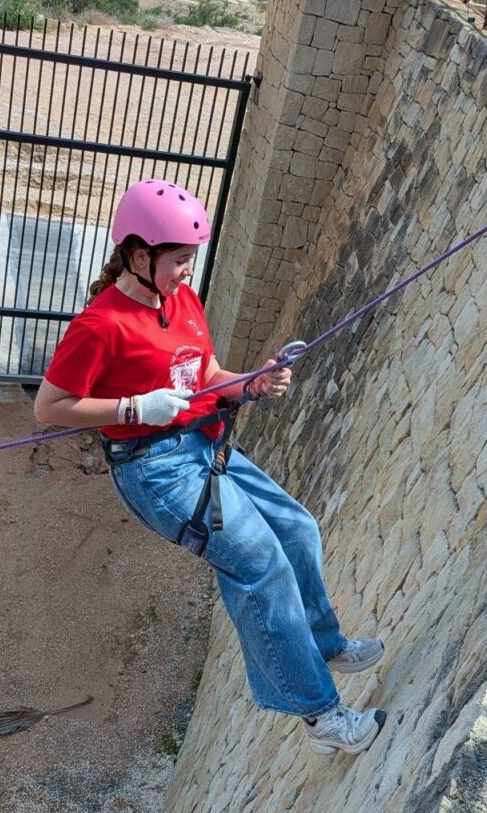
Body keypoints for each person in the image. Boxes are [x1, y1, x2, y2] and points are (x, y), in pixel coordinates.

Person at [34, 179, 387, 756]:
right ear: (139, 256)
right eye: (178, 260)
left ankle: (323, 645)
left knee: (297, 529)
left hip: (201, 443)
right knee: (260, 566)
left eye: (190, 259)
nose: (187, 271)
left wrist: (252, 382)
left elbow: (207, 375)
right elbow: (49, 407)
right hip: (154, 469)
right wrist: (132, 408)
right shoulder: (100, 326)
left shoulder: (184, 302)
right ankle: (322, 719)